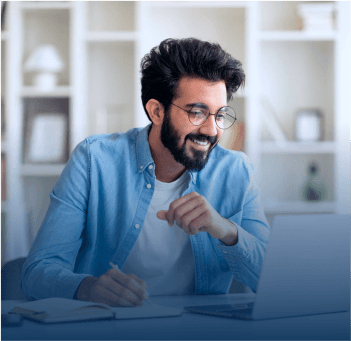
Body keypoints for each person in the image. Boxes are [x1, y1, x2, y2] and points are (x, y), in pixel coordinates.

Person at [21, 38, 270, 307]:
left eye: (219, 115)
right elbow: (37, 273)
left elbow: (269, 280)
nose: (212, 130)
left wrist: (226, 229)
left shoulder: (236, 171)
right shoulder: (94, 160)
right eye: (197, 112)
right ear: (156, 111)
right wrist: (87, 288)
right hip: (106, 326)